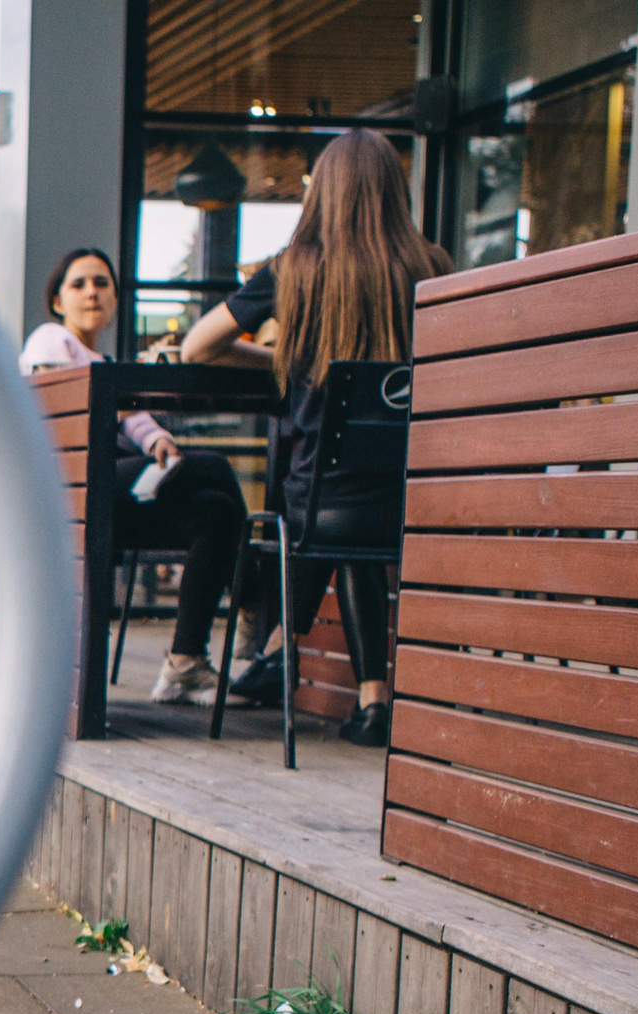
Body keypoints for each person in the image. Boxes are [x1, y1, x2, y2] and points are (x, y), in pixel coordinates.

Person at [182, 130, 449, 747]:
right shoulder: (430, 266)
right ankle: (365, 695)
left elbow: (200, 346)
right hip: (410, 500)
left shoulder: (293, 267)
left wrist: (281, 357)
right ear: (392, 190)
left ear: (322, 194)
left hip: (316, 506)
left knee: (328, 502)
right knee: (358, 509)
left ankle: (278, 649)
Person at [22, 248, 249, 707]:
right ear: (57, 301)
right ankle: (255, 599)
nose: (92, 292)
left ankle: (184, 663)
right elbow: (63, 405)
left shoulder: (104, 361)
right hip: (65, 495)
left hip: (108, 500)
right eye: (80, 283)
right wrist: (137, 401)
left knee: (217, 512)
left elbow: (134, 419)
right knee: (215, 467)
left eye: (103, 283)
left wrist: (158, 441)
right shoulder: (51, 340)